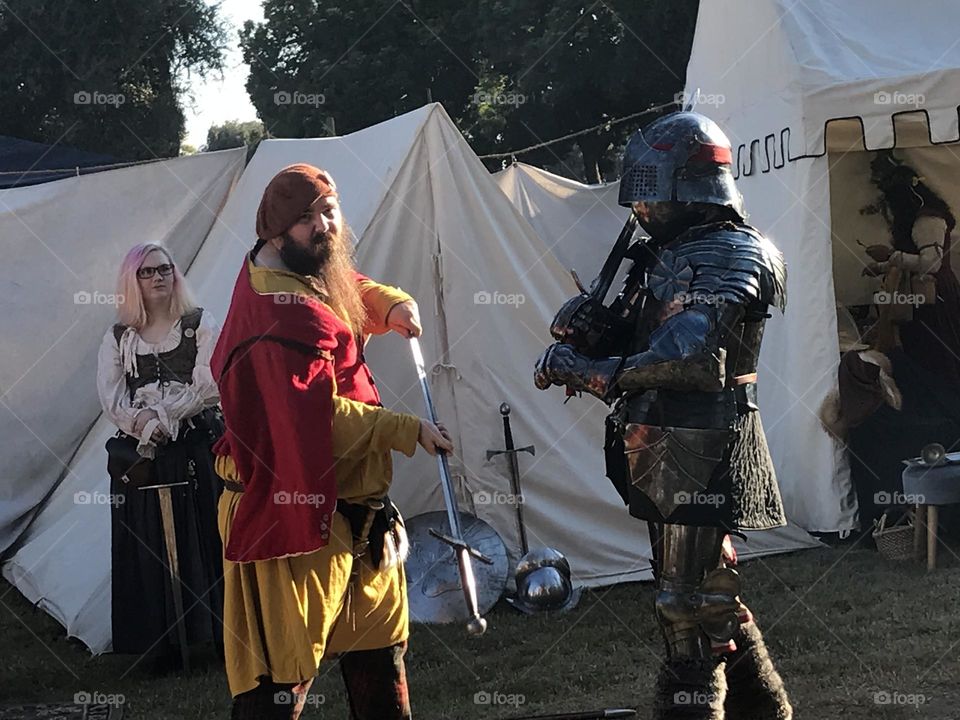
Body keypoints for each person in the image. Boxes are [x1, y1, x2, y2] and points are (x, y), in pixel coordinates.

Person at [535, 112, 792, 720]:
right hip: (660, 441)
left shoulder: (734, 251)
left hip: (701, 439)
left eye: (649, 189)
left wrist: (586, 368)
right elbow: (647, 336)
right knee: (701, 597)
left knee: (688, 607)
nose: (641, 206)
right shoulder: (666, 253)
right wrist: (593, 331)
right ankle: (767, 712)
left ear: (685, 185)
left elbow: (693, 358)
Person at [212, 163, 453, 720]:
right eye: (308, 217)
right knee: (281, 684)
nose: (325, 225)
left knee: (378, 657)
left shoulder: (302, 268)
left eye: (329, 210)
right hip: (293, 510)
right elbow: (311, 418)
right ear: (275, 231)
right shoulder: (273, 311)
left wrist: (389, 303)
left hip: (353, 507)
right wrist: (405, 429)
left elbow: (344, 288)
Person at [96, 243, 224, 670]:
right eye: (148, 272)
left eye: (165, 269)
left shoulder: (199, 324)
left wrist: (167, 414)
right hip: (143, 459)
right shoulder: (120, 337)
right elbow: (112, 399)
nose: (158, 278)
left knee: (207, 534)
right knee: (148, 543)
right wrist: (146, 424)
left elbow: (211, 386)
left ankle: (221, 637)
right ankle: (160, 645)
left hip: (194, 449)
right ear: (133, 281)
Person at [862, 151, 960, 385]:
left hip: (935, 298)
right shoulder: (920, 219)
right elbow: (915, 259)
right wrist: (881, 266)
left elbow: (931, 263)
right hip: (923, 298)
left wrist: (890, 256)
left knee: (937, 355)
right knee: (922, 351)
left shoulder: (928, 220)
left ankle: (942, 403)